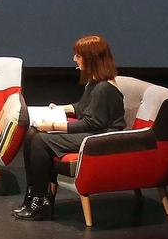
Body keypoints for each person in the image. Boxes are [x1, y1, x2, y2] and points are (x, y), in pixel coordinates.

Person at [14, 34, 126, 220]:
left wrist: (52, 125)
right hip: (94, 131)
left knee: (41, 139)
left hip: (101, 137)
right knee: (31, 134)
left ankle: (40, 201)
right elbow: (83, 108)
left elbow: (92, 122)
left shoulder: (104, 88)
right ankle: (33, 195)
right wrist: (60, 108)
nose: (75, 59)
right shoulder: (95, 81)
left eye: (78, 55)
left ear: (90, 59)